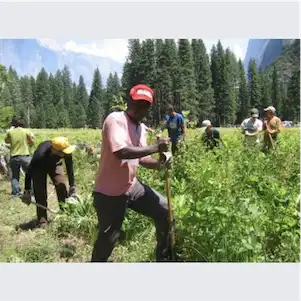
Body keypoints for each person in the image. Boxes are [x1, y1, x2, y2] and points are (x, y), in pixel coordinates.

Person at [91, 84, 172, 262]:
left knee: (164, 210)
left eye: (144, 105)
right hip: (109, 193)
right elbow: (122, 152)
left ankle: (164, 258)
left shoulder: (140, 128)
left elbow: (139, 159)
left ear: (148, 108)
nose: (138, 108)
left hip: (131, 186)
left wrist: (160, 164)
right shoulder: (115, 120)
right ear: (129, 102)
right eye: (136, 103)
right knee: (109, 238)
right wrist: (155, 147)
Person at [21, 137, 77, 228]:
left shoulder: (65, 150)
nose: (65, 153)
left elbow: (69, 167)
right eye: (62, 152)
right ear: (54, 150)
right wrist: (27, 190)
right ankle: (42, 221)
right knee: (40, 192)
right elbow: (29, 172)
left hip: (55, 164)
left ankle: (65, 215)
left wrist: (72, 185)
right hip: (39, 167)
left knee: (61, 185)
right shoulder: (39, 155)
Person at [4, 117, 34, 198]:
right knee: (29, 174)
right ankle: (31, 192)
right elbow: (32, 142)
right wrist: (29, 143)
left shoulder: (10, 132)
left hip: (14, 156)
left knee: (15, 176)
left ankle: (15, 194)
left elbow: (6, 141)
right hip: (25, 155)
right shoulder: (25, 131)